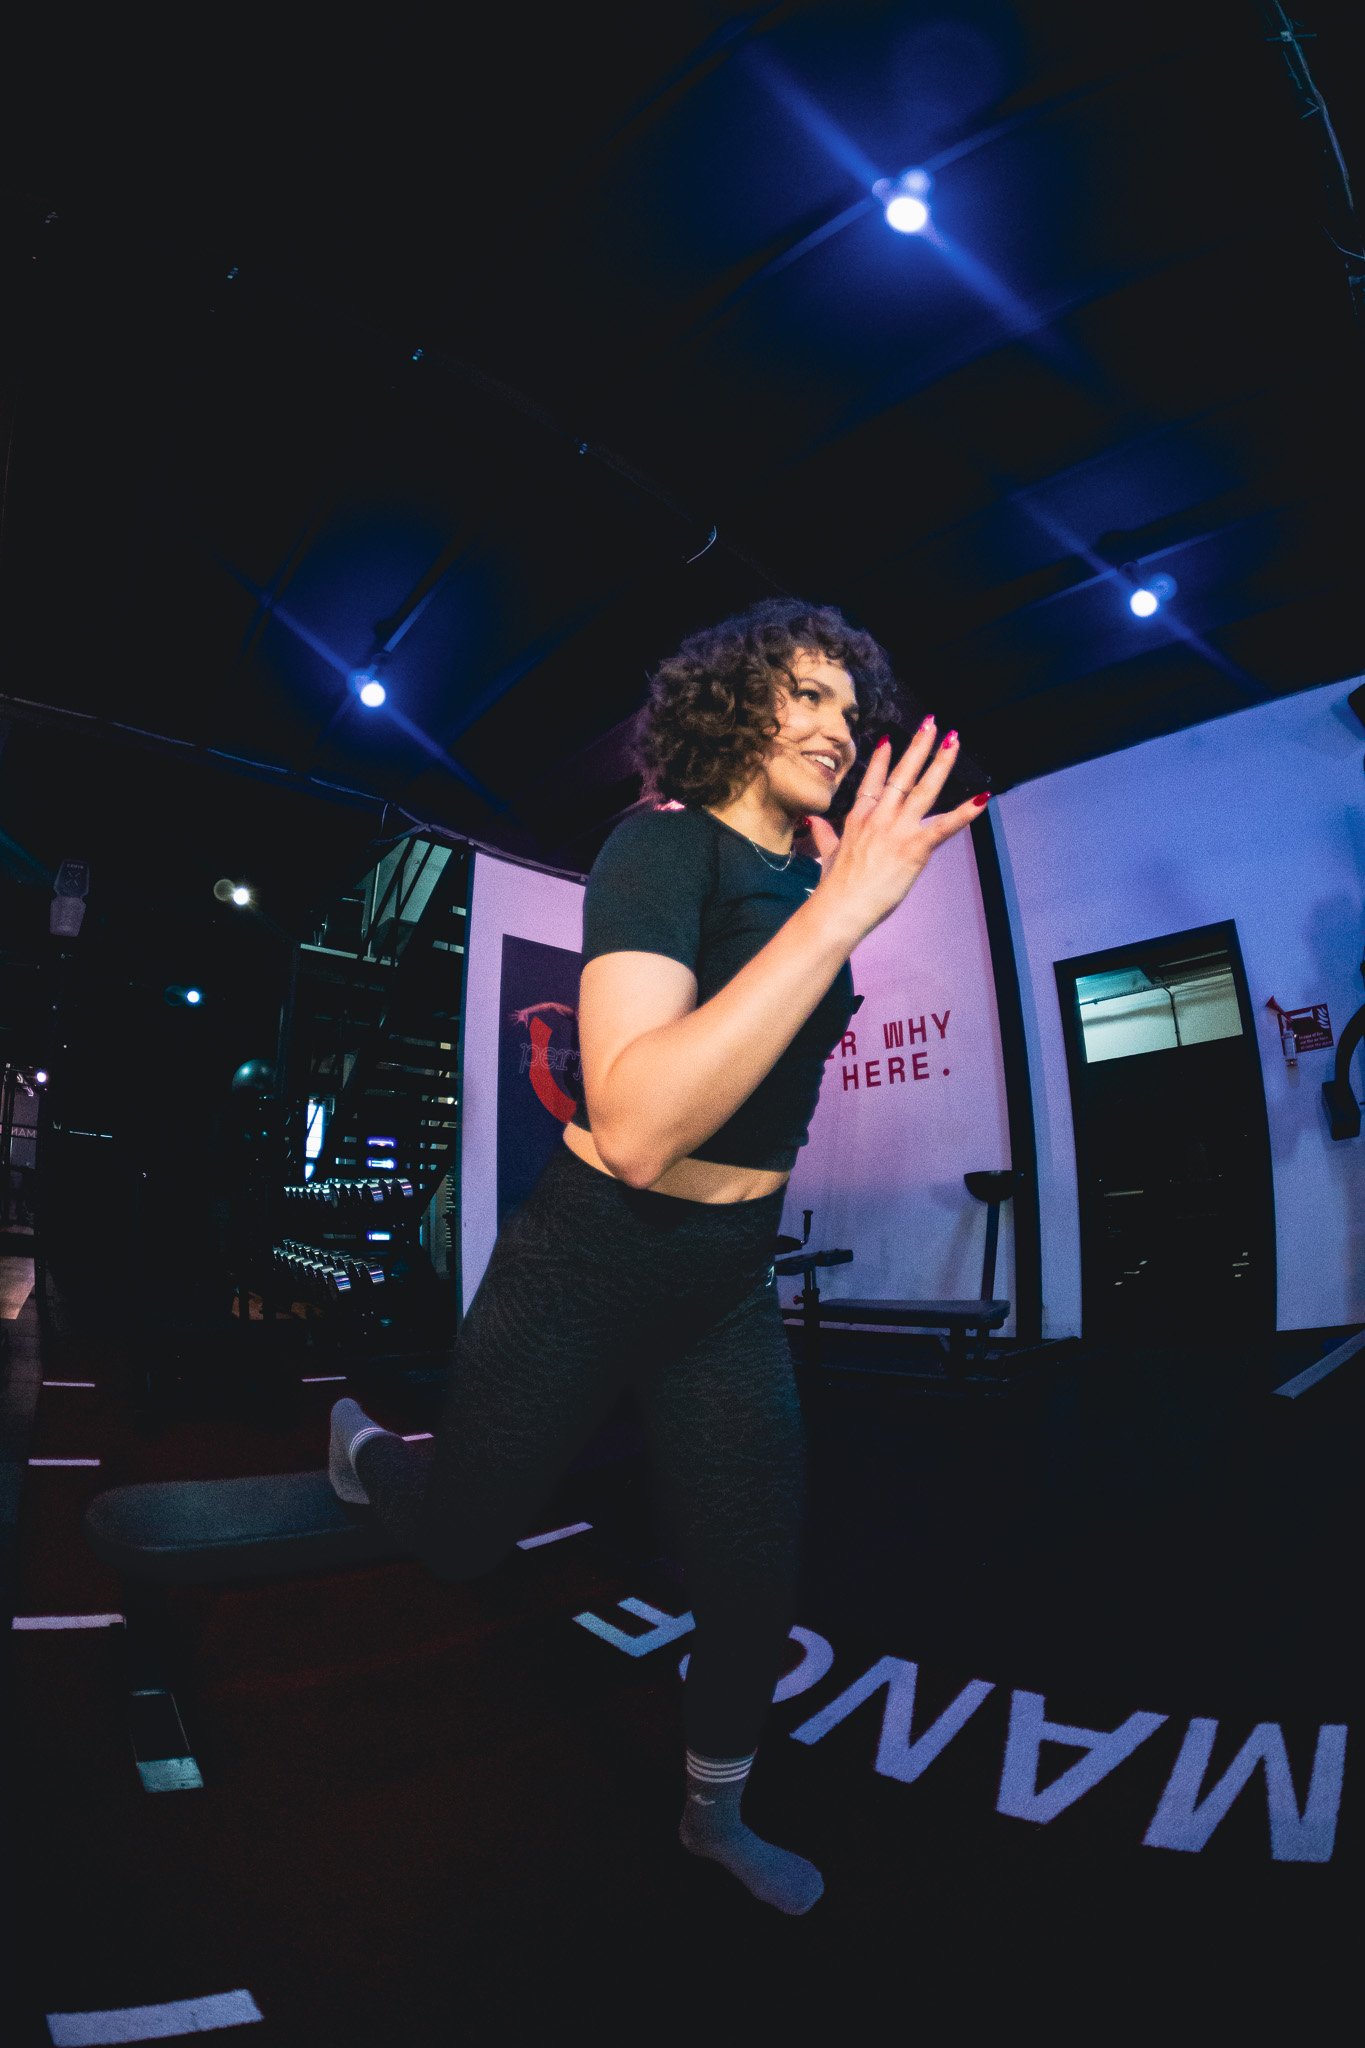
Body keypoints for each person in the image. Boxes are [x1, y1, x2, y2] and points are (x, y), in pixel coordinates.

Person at [328, 596, 988, 1914]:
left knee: (753, 1576)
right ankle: (365, 1449)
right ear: (735, 703)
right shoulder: (661, 847)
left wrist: (832, 907)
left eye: (849, 707)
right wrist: (840, 916)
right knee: (462, 1540)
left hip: (724, 1271)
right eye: (805, 694)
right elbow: (632, 1132)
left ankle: (713, 1818)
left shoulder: (808, 883)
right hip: (591, 1256)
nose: (838, 726)